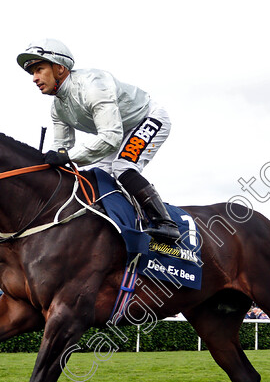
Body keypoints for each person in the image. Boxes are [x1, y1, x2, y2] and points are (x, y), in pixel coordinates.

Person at [17, 39, 181, 241]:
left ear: (59, 68)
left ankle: (166, 223)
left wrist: (66, 157)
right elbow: (61, 147)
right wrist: (43, 164)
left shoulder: (94, 86)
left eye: (39, 69)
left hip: (148, 117)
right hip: (118, 131)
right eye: (32, 73)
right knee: (98, 178)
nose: (34, 78)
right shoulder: (57, 108)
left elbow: (110, 138)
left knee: (123, 166)